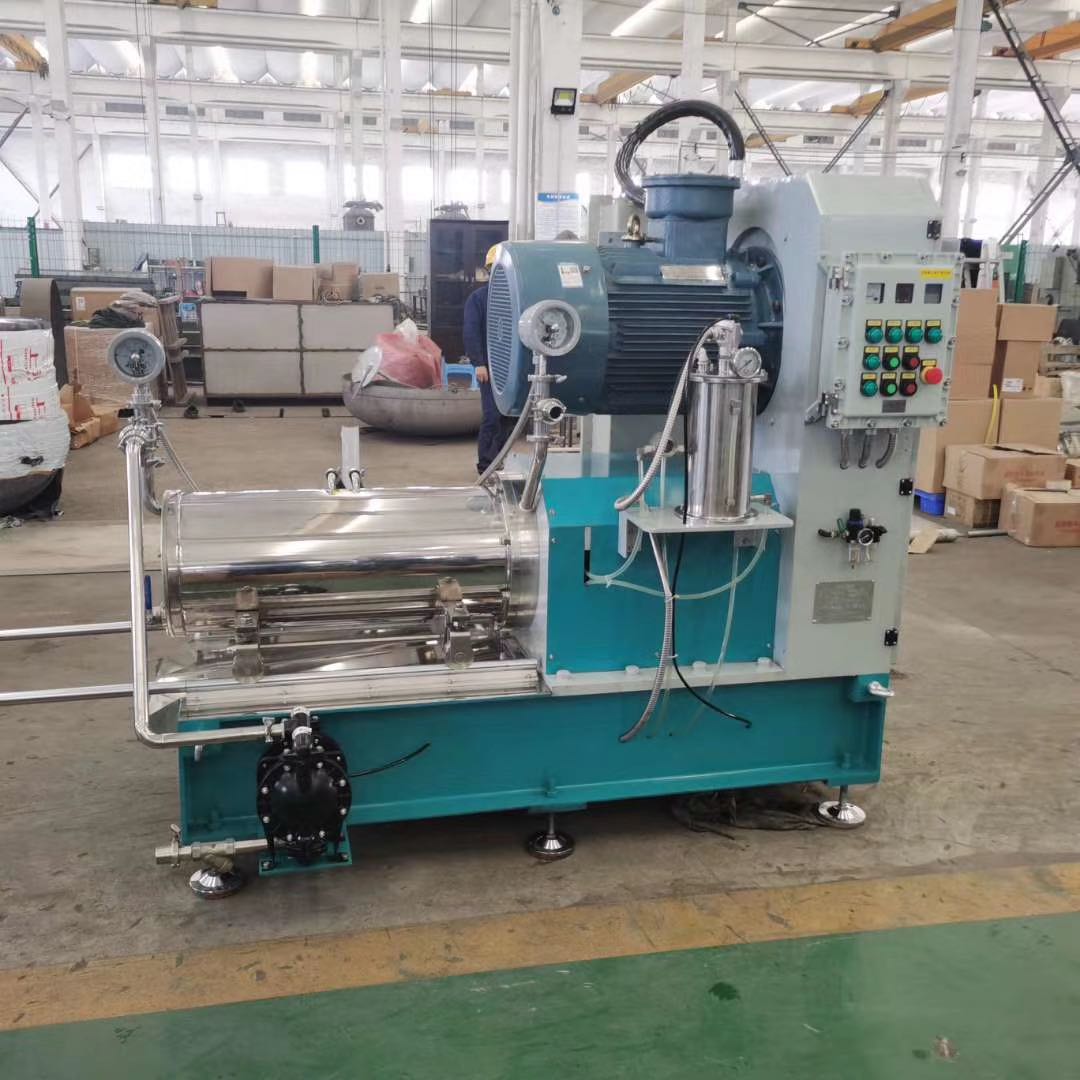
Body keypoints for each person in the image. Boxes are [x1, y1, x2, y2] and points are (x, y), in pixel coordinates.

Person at [464, 243, 514, 474]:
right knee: (492, 416)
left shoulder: (514, 298)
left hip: (512, 368)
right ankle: (486, 466)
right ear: (489, 271)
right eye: (495, 269)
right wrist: (479, 363)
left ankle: (500, 460)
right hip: (490, 369)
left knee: (509, 417)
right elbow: (471, 331)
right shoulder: (478, 299)